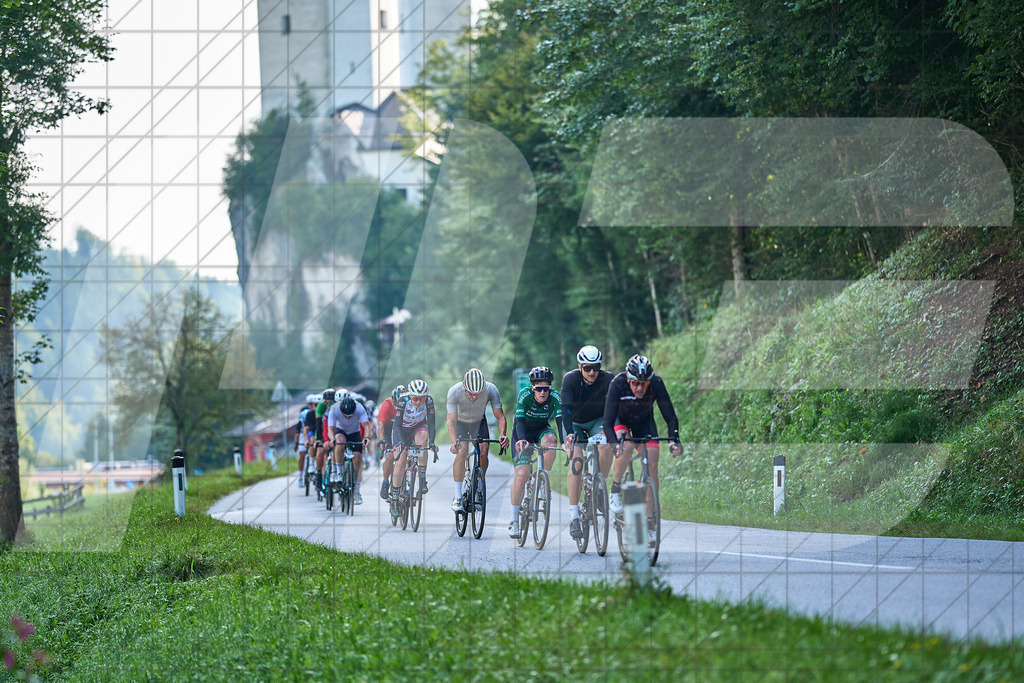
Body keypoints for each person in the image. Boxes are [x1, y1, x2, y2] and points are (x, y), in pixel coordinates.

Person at [603, 354, 681, 515]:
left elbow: (670, 416)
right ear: (628, 380)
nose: (640, 388)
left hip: (644, 422)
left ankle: (650, 519)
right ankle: (616, 489)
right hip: (621, 420)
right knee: (626, 446)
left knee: (652, 464)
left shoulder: (656, 383)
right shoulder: (617, 384)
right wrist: (614, 444)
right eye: (636, 383)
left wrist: (674, 440)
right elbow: (607, 421)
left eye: (644, 384)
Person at [561, 345, 614, 539]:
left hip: (597, 421)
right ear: (579, 366)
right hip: (574, 423)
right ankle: (574, 516)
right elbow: (565, 409)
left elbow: (615, 408)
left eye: (596, 367)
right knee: (577, 461)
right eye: (587, 368)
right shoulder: (570, 379)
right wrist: (568, 434)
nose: (592, 372)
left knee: (606, 445)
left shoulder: (608, 379)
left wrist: (611, 429)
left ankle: (599, 486)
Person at [508, 366, 566, 538]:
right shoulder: (524, 395)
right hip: (522, 433)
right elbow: (518, 421)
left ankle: (542, 481)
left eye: (546, 388)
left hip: (541, 430)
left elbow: (560, 421)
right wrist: (521, 439)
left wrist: (564, 443)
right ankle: (514, 520)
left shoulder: (555, 397)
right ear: (532, 387)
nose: (542, 393)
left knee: (551, 441)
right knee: (522, 474)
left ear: (550, 388)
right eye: (538, 388)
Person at [446, 368, 509, 512]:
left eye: (478, 394)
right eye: (470, 393)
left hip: (479, 421)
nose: (474, 397)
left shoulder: (491, 389)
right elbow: (451, 420)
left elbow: (500, 416)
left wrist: (502, 434)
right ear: (464, 386)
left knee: (484, 451)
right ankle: (457, 496)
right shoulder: (454, 391)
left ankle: (479, 486)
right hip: (460, 422)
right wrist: (454, 441)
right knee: (461, 452)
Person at [389, 379, 437, 515]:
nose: (418, 402)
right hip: (401, 431)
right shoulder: (403, 401)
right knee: (401, 461)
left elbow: (432, 424)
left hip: (419, 427)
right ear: (410, 395)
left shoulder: (429, 401)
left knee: (422, 444)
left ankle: (422, 478)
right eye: (415, 398)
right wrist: (400, 443)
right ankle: (395, 497)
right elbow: (397, 426)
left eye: (421, 399)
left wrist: (432, 442)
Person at [326, 394, 373, 505]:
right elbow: (330, 428)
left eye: (350, 416)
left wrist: (366, 438)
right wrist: (332, 439)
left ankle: (357, 491)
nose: (347, 417)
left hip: (354, 432)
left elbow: (366, 426)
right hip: (340, 431)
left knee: (357, 460)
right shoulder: (334, 409)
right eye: (345, 416)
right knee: (339, 443)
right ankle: (339, 473)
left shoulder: (359, 407)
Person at [375, 384, 404, 500]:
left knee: (406, 456)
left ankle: (407, 480)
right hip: (387, 430)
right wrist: (381, 440)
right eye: (395, 404)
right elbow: (380, 424)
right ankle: (386, 482)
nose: (397, 407)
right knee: (390, 457)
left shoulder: (408, 403)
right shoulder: (387, 404)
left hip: (401, 430)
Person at [294, 394, 316, 489]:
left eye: (313, 403)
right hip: (303, 436)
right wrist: (296, 443)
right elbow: (298, 432)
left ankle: (314, 466)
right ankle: (300, 477)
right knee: (302, 455)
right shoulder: (304, 412)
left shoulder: (316, 412)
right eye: (310, 403)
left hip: (312, 433)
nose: (311, 405)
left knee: (315, 450)